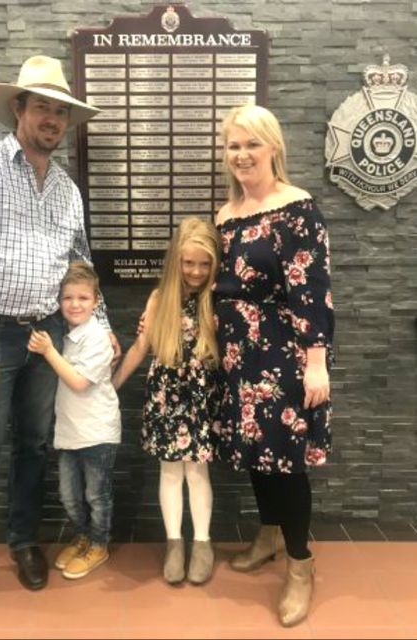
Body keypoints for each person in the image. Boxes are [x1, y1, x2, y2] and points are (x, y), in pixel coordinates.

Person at [0, 55, 120, 621]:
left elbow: (80, 265)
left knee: (36, 446)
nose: (52, 120)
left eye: (61, 111)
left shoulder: (66, 190)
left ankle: (22, 541)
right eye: (43, 107)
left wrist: (103, 327)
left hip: (49, 335)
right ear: (19, 108)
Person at [213, 104, 334, 627]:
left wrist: (317, 362)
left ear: (273, 149)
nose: (242, 155)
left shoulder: (297, 209)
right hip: (237, 353)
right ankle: (267, 534)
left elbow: (313, 290)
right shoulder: (225, 214)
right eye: (233, 146)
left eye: (251, 145)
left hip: (283, 352)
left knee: (285, 458)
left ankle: (300, 564)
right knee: (255, 451)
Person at [112, 217, 221, 586]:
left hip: (202, 398)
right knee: (170, 470)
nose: (195, 271)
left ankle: (202, 543)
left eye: (204, 263)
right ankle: (175, 543)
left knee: (197, 470)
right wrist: (112, 385)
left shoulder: (218, 297)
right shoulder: (160, 298)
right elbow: (142, 346)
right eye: (188, 262)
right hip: (165, 395)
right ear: (176, 260)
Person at [28, 262, 121, 580]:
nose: (75, 304)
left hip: (97, 431)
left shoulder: (97, 337)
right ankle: (82, 536)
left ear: (96, 301)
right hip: (68, 432)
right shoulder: (65, 335)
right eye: (68, 298)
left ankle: (99, 543)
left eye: (83, 298)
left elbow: (79, 382)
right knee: (69, 494)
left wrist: (48, 352)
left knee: (96, 494)